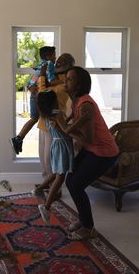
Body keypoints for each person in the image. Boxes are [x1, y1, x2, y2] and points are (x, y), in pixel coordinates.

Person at [57, 66, 120, 240]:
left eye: (69, 79)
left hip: (104, 153)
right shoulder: (77, 101)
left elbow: (89, 139)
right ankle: (84, 220)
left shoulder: (85, 104)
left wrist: (65, 129)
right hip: (93, 149)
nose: (65, 81)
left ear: (78, 86)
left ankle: (88, 228)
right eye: (66, 77)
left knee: (76, 184)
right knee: (71, 180)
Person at [10, 46, 63, 154]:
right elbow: (51, 80)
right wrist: (62, 82)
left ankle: (19, 138)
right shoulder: (49, 64)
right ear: (48, 56)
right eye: (54, 55)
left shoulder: (41, 65)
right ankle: (18, 138)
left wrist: (30, 86)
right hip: (39, 94)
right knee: (43, 116)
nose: (55, 57)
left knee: (34, 118)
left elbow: (32, 80)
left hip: (33, 93)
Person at [32, 90, 74, 224]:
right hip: (62, 146)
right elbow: (66, 129)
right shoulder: (58, 114)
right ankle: (46, 206)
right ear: (54, 102)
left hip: (56, 145)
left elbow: (61, 126)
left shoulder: (48, 116)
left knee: (57, 172)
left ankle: (39, 189)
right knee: (60, 176)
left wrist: (69, 117)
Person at [37, 53, 75, 181]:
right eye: (58, 59)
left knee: (49, 158)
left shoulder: (66, 83)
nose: (58, 61)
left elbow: (43, 94)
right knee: (42, 156)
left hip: (54, 123)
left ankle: (55, 189)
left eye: (63, 60)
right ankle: (46, 183)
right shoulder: (52, 77)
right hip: (43, 121)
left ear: (70, 65)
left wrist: (42, 76)